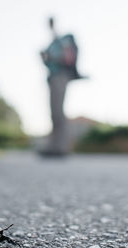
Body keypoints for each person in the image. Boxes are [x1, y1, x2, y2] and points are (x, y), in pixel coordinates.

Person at [40, 17, 85, 156]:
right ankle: (54, 147)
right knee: (54, 113)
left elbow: (67, 58)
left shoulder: (63, 41)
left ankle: (61, 148)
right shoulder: (53, 43)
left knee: (58, 113)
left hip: (60, 77)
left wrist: (50, 58)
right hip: (53, 78)